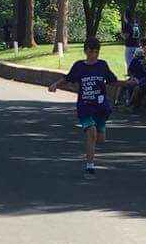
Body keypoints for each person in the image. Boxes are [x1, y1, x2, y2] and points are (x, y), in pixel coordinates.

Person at [48, 36, 127, 177]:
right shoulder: (79, 66)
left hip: (100, 107)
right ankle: (90, 166)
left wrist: (128, 83)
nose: (93, 55)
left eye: (96, 52)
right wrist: (55, 84)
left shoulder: (102, 65)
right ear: (85, 51)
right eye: (90, 51)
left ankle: (98, 133)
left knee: (101, 139)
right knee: (91, 132)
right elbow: (67, 78)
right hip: (85, 106)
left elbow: (112, 81)